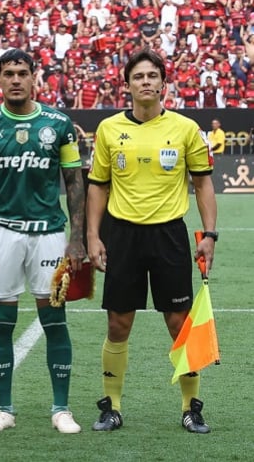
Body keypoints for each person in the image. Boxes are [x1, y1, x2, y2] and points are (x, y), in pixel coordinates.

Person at [86, 49, 217, 434]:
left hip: (169, 235)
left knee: (179, 324)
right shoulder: (109, 129)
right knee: (118, 324)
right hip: (123, 235)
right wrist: (93, 236)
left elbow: (203, 183)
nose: (145, 82)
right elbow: (98, 186)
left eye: (152, 76)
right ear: (127, 84)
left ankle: (190, 407)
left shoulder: (186, 129)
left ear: (163, 83)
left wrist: (209, 234)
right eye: (138, 76)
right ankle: (112, 406)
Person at [0, 49, 86, 434]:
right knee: (1, 323)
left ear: (35, 77)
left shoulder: (58, 124)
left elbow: (74, 182)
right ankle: (4, 409)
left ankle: (61, 409)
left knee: (54, 319)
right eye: (8, 73)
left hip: (49, 233)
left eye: (22, 73)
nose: (15, 79)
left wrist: (76, 238)